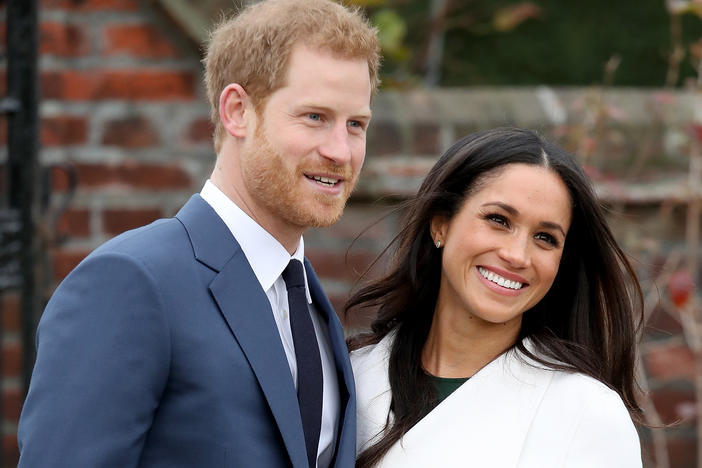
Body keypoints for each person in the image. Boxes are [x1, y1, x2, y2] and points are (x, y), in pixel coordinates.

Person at [17, 1, 379, 466]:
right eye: (315, 117)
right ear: (237, 111)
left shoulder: (309, 302)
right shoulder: (131, 281)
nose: (340, 151)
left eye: (356, 124)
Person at [348, 128, 644, 467]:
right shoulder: (349, 377)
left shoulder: (586, 413)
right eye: (498, 220)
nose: (518, 255)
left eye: (546, 238)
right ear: (441, 224)